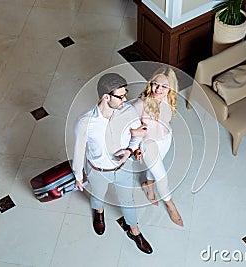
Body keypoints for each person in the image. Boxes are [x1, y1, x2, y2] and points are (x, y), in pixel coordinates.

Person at [72, 73, 153, 254]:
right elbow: (78, 151)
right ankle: (99, 213)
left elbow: (136, 136)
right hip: (98, 170)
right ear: (106, 97)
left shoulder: (128, 111)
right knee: (98, 196)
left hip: (123, 167)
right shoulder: (85, 123)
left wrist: (130, 150)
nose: (125, 99)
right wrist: (78, 176)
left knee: (128, 201)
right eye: (121, 96)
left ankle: (134, 231)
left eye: (126, 94)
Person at [132, 67, 184, 227]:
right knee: (161, 176)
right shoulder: (140, 103)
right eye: (155, 84)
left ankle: (148, 184)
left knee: (155, 166)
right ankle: (171, 206)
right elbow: (127, 126)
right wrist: (135, 148)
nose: (158, 89)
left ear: (170, 88)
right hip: (148, 143)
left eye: (164, 86)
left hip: (165, 138)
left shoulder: (169, 99)